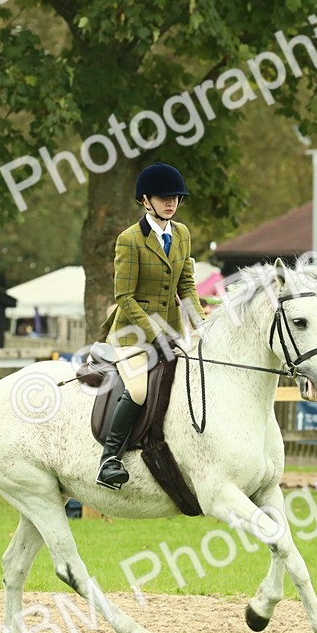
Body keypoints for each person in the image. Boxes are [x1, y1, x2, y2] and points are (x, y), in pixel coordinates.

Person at [95, 162, 203, 489]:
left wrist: (200, 324)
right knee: (139, 390)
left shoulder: (182, 234)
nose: (171, 202)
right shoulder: (129, 239)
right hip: (133, 335)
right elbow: (124, 297)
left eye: (175, 197)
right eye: (163, 197)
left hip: (172, 333)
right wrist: (156, 334)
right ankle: (109, 460)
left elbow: (186, 286)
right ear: (145, 200)